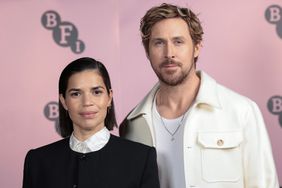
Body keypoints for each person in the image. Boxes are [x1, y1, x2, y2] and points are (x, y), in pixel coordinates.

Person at [119, 3, 279, 188]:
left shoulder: (242, 111)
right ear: (147, 52)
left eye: (178, 41)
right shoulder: (133, 124)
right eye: (159, 43)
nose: (169, 53)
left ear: (196, 47)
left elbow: (265, 184)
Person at [23, 57, 160, 188]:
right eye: (76, 94)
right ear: (64, 101)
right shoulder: (38, 161)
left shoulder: (140, 159)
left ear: (109, 97)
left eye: (96, 92)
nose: (87, 102)